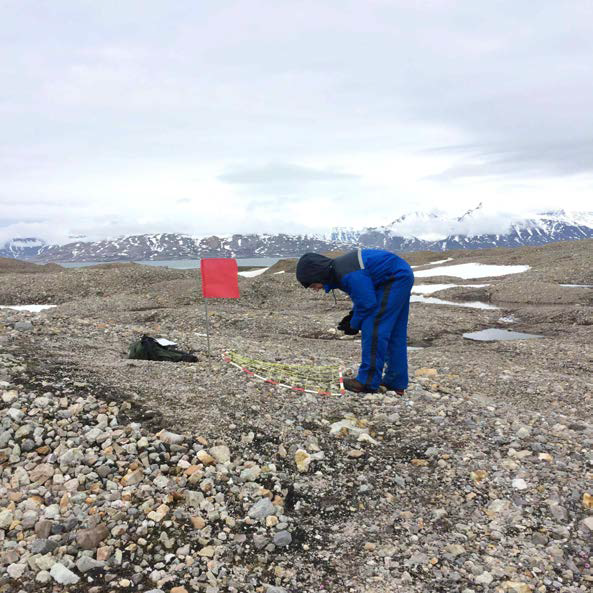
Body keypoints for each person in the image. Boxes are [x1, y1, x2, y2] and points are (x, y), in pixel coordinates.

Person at [296, 248, 414, 394]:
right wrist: (353, 315)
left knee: (373, 329)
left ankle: (367, 382)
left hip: (393, 279)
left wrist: (354, 324)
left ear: (317, 274)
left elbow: (367, 303)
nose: (315, 289)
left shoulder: (345, 273)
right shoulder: (340, 270)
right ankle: (396, 382)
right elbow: (361, 295)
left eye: (313, 285)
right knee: (395, 333)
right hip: (399, 275)